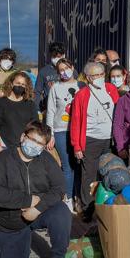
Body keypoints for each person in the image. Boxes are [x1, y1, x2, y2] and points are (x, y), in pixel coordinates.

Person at [0, 121, 71, 258]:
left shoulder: (45, 159)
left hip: (38, 212)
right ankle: (21, 238)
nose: (35, 146)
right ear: (23, 136)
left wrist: (37, 208)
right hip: (11, 219)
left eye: (40, 144)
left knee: (61, 212)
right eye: (32, 140)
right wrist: (28, 200)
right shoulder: (4, 159)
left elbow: (59, 188)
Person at [70, 62, 119, 219]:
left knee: (109, 173)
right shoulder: (82, 95)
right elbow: (76, 122)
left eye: (101, 74)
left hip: (109, 140)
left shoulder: (111, 89)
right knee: (89, 176)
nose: (98, 78)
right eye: (94, 75)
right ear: (88, 78)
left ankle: (106, 206)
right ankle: (88, 209)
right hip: (90, 141)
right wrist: (77, 146)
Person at [46, 59, 81, 213]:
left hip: (80, 131)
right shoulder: (56, 88)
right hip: (61, 130)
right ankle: (67, 198)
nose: (64, 72)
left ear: (72, 67)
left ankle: (78, 197)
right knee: (67, 167)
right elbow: (51, 111)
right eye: (61, 70)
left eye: (67, 68)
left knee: (79, 166)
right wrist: (50, 134)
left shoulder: (82, 86)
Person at [0, 71, 38, 153]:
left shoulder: (30, 104)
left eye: (23, 84)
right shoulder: (1, 102)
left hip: (25, 146)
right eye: (18, 83)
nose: (20, 86)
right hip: (5, 146)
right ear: (11, 84)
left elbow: (35, 124)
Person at [35, 42, 66, 113]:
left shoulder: (71, 70)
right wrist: (37, 109)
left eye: (59, 56)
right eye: (54, 57)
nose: (57, 59)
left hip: (66, 110)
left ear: (64, 55)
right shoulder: (43, 71)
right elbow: (37, 91)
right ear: (51, 56)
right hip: (48, 109)